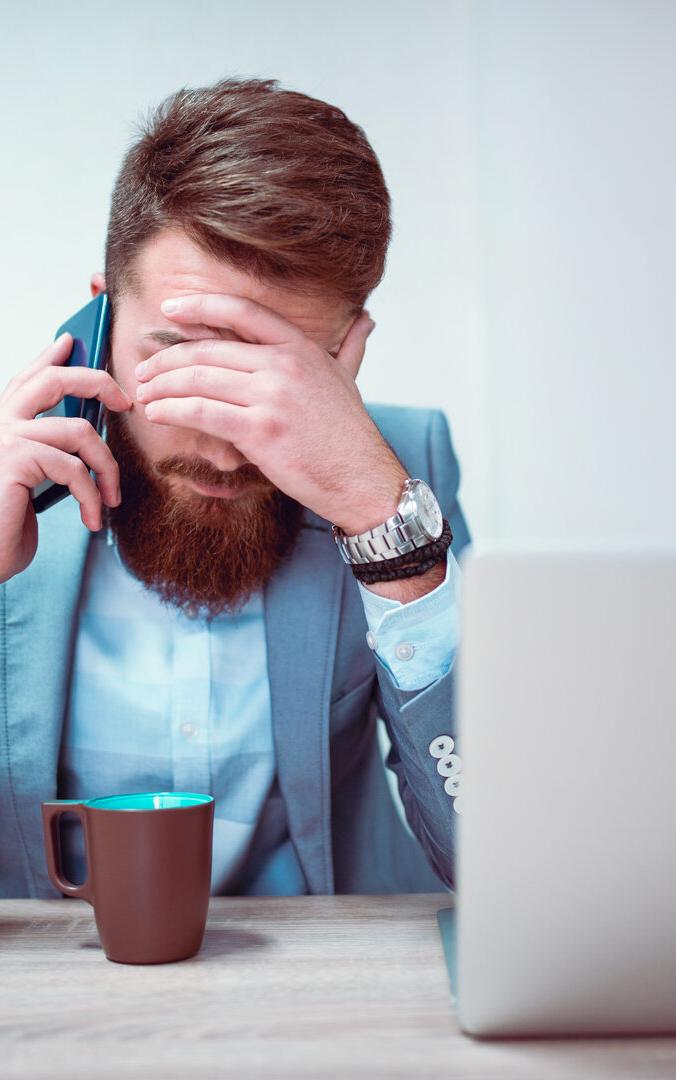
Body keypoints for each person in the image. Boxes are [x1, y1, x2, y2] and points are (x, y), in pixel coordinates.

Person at [0, 78, 469, 898]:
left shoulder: (401, 471)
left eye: (278, 373)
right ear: (100, 322)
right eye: (180, 356)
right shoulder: (15, 479)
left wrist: (382, 523)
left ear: (349, 348)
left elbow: (508, 865)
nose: (223, 440)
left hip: (325, 992)